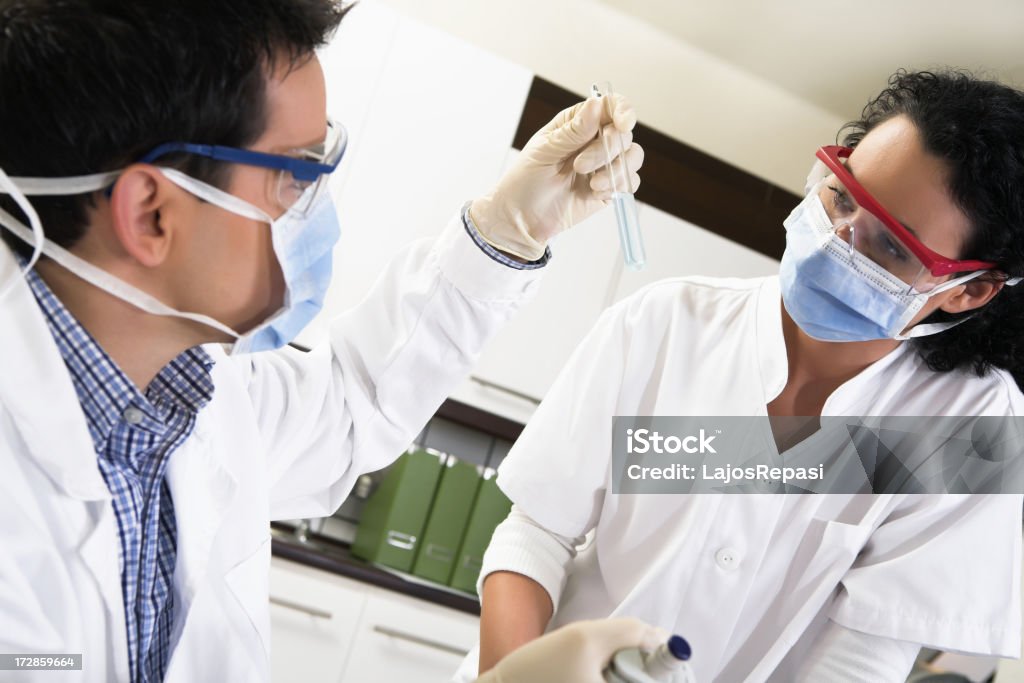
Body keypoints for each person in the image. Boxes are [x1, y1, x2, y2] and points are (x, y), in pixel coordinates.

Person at [0, 1, 650, 681]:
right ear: (151, 213)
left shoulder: (183, 399)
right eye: (295, 171)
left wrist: (506, 233)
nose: (308, 204)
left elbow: (351, 398)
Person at [463, 69, 1024, 682]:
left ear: (970, 291)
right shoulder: (669, 322)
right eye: (842, 196)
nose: (837, 241)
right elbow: (537, 533)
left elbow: (864, 656)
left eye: (890, 246)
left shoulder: (968, 428)